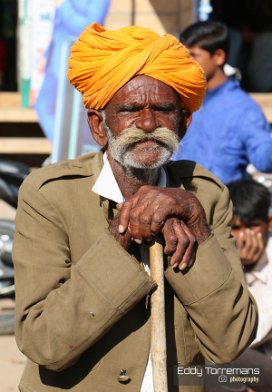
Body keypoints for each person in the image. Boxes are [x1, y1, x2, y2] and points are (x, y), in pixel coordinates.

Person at [13, 23, 257, 392]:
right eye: (130, 109)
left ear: (184, 123)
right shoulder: (50, 196)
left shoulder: (205, 196)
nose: (147, 123)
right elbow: (44, 342)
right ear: (98, 125)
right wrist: (120, 236)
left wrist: (195, 223)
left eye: (162, 109)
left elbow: (231, 343)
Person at [172, 20, 272, 185]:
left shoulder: (243, 108)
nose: (185, 62)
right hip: (172, 201)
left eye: (193, 55)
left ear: (218, 57)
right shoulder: (178, 99)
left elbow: (263, 157)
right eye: (183, 55)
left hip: (218, 207)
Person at [209, 179, 272, 392]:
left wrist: (241, 269)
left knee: (215, 362)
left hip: (260, 360)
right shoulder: (219, 252)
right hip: (245, 362)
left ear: (268, 223)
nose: (245, 237)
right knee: (191, 371)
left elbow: (247, 335)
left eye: (253, 226)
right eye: (236, 228)